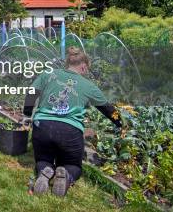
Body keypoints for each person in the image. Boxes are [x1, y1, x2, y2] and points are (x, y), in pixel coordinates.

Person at [23, 46, 122, 197]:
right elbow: (108, 109)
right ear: (83, 66)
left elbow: (31, 93)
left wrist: (27, 112)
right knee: (73, 164)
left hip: (42, 127)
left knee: (43, 158)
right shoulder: (89, 86)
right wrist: (120, 123)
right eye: (87, 69)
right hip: (69, 131)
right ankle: (66, 174)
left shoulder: (49, 74)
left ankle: (45, 172)